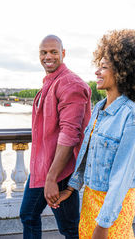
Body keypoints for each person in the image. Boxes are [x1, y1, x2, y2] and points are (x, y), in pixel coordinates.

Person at [53, 29, 135, 239]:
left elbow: (122, 177)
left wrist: (103, 225)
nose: (97, 72)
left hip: (114, 207)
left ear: (122, 72)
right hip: (90, 198)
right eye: (98, 66)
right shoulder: (98, 109)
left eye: (104, 67)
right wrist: (72, 187)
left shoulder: (131, 118)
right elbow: (87, 155)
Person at [20, 35, 92, 239]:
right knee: (30, 216)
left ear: (63, 53)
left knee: (68, 228)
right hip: (44, 167)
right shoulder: (52, 81)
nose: (48, 56)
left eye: (53, 51)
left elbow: (70, 134)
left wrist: (52, 177)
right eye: (43, 52)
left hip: (59, 170)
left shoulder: (70, 84)